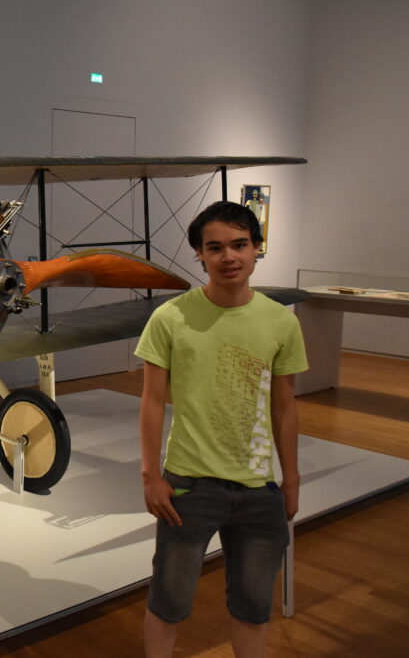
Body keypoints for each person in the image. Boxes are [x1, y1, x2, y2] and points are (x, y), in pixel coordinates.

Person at [135, 201, 307, 658]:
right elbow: (152, 402)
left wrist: (290, 477)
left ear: (256, 249)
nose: (229, 256)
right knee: (169, 600)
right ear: (200, 255)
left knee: (253, 607)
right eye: (215, 247)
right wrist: (151, 475)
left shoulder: (280, 321)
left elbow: (284, 404)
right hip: (190, 488)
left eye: (239, 245)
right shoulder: (171, 318)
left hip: (258, 488)